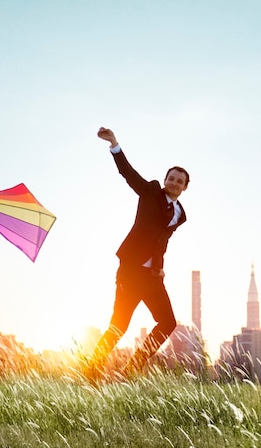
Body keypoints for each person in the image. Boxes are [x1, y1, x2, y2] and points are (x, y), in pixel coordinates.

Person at [84, 126, 189, 381]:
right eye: (171, 178)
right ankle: (91, 371)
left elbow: (161, 240)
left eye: (180, 181)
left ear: (185, 187)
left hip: (153, 276)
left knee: (168, 323)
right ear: (165, 180)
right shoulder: (151, 192)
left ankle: (133, 366)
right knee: (118, 325)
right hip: (130, 271)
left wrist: (159, 265)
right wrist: (114, 145)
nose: (174, 183)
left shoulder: (180, 215)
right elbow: (129, 174)